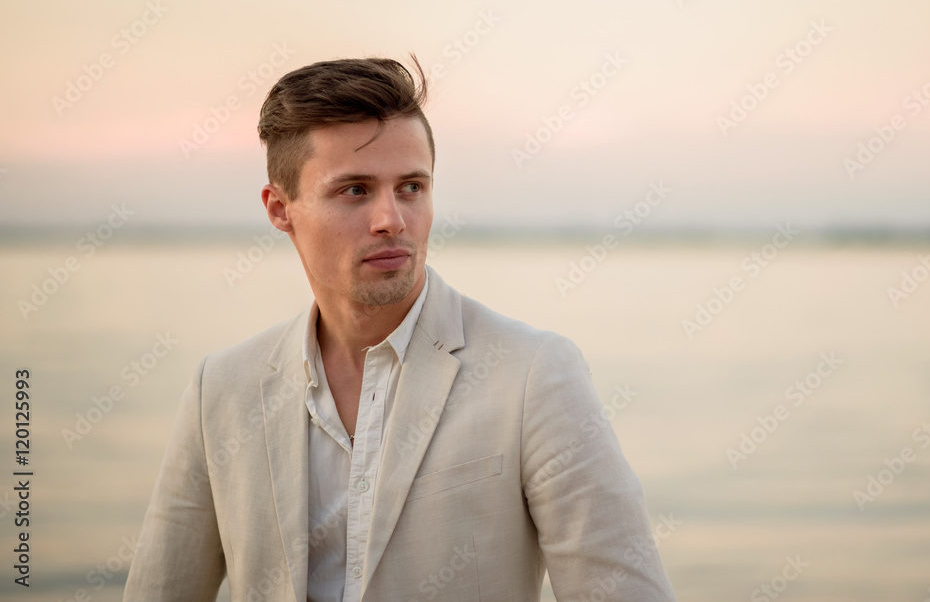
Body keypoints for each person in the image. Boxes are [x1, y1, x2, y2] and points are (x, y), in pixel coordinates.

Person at [123, 55, 677, 601]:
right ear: (280, 208)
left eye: (411, 187)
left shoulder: (533, 375)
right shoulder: (220, 387)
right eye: (355, 190)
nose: (392, 218)